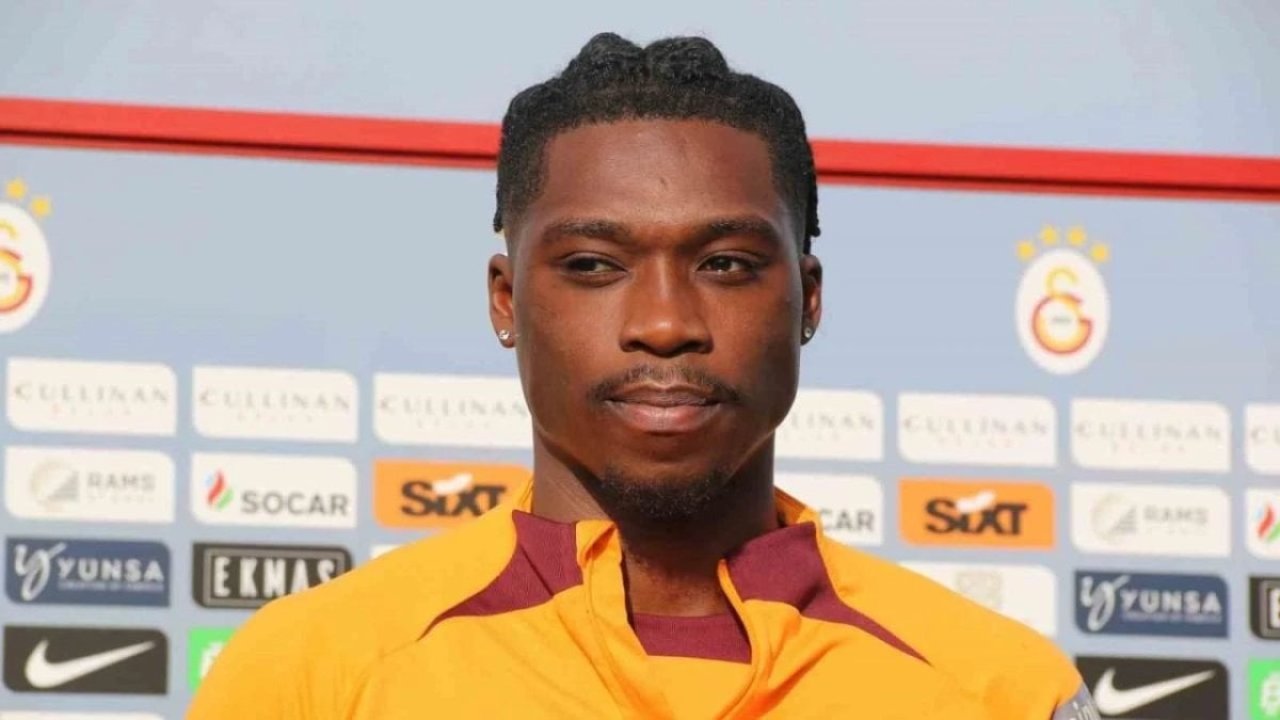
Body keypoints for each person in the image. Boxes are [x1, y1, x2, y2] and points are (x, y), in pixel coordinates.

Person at [188, 32, 1095, 719]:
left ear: (808, 300)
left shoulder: (1001, 690)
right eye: (592, 265)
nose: (665, 324)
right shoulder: (313, 676)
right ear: (506, 301)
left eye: (727, 264)